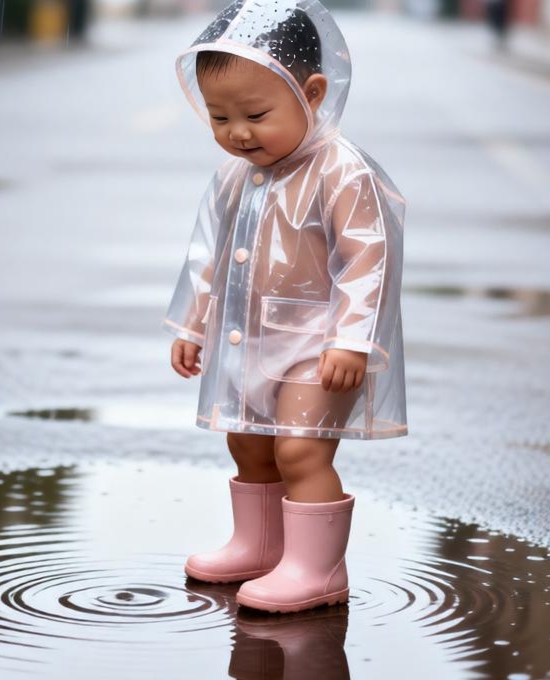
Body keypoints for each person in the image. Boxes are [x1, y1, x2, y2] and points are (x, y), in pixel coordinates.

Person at [164, 0, 408, 614]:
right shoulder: (234, 176)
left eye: (256, 114)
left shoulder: (342, 173)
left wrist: (353, 339)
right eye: (219, 117)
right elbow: (208, 256)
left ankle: (316, 568)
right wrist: (193, 324)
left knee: (299, 448)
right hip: (247, 340)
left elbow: (367, 260)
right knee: (248, 443)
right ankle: (259, 544)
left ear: (314, 93)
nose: (236, 133)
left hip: (319, 348)